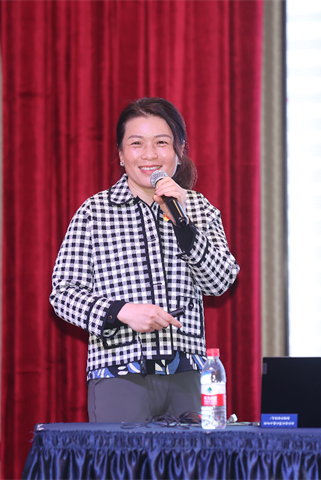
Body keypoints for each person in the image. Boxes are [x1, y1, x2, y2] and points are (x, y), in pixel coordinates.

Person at [50, 97, 239, 422]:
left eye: (161, 143)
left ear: (179, 151)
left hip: (187, 375)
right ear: (121, 154)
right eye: (136, 143)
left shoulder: (198, 208)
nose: (149, 154)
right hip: (119, 374)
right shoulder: (94, 212)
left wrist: (184, 224)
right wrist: (122, 311)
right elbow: (63, 295)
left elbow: (220, 282)